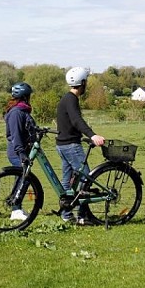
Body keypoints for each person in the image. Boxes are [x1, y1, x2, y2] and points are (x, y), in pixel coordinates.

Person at [55, 67, 105, 225]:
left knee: (67, 180)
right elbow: (77, 120)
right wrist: (92, 135)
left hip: (62, 145)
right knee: (86, 178)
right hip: (71, 146)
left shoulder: (66, 98)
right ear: (82, 83)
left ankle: (66, 213)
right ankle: (83, 216)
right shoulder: (71, 99)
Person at [4, 82, 37, 221]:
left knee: (23, 177)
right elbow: (16, 135)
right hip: (17, 151)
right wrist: (22, 153)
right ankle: (15, 209)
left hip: (24, 150)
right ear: (25, 96)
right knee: (25, 177)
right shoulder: (17, 112)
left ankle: (15, 204)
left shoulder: (22, 111)